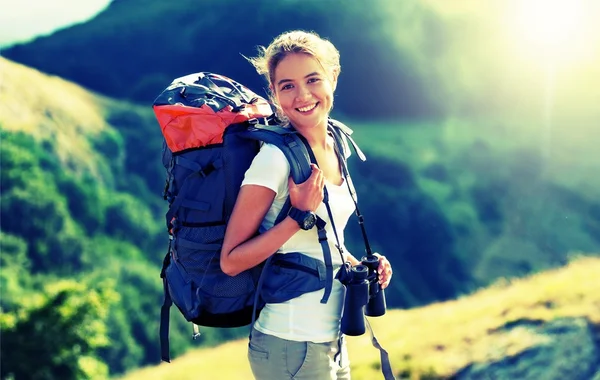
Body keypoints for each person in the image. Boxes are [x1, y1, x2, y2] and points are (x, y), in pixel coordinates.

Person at [220, 30, 393, 380]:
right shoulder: (274, 160)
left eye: (313, 79)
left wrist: (358, 264)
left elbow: (323, 240)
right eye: (287, 86)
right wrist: (297, 215)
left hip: (331, 340)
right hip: (290, 344)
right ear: (274, 92)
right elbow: (231, 261)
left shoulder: (337, 143)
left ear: (333, 77)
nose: (302, 95)